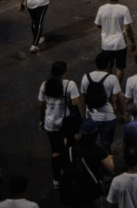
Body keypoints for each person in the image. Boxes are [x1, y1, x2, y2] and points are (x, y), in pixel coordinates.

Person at [39, 60, 82, 189]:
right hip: (66, 123)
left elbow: (41, 105)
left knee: (55, 152)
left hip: (50, 123)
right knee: (71, 146)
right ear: (64, 72)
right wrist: (81, 121)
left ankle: (57, 180)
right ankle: (72, 173)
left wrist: (42, 120)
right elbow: (76, 103)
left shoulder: (45, 84)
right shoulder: (70, 84)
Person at [82, 52, 123, 150]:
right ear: (108, 65)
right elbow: (117, 99)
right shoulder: (112, 78)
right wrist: (122, 113)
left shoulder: (86, 77)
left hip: (91, 117)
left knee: (91, 145)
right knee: (106, 146)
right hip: (108, 118)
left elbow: (83, 97)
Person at [95, 0, 135, 83]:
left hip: (106, 44)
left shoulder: (101, 9)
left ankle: (108, 87)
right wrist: (133, 42)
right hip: (120, 44)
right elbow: (128, 28)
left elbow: (98, 24)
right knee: (119, 68)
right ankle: (116, 88)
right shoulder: (123, 9)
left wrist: (106, 27)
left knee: (107, 67)